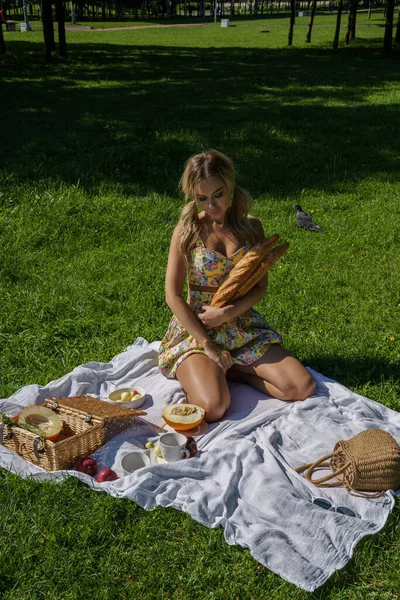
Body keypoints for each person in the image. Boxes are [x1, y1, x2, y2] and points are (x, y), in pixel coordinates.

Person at [158, 149, 316, 422]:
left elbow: (259, 288)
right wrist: (208, 344)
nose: (212, 205)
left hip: (240, 324)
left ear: (230, 185)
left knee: (301, 387)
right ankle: (213, 367)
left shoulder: (251, 227)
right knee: (213, 408)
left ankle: (233, 371)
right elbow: (172, 295)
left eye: (218, 194)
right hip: (198, 328)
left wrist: (227, 314)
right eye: (202, 198)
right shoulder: (187, 231)